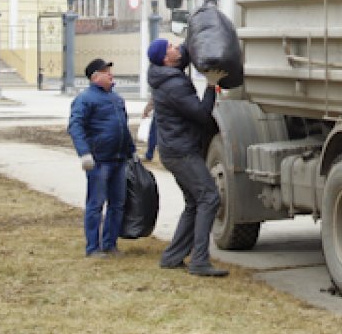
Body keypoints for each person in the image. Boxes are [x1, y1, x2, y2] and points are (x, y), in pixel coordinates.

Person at [146, 37, 229, 277]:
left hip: (174, 150)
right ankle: (200, 261)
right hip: (181, 152)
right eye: (170, 47)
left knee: (194, 203)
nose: (175, 48)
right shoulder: (174, 86)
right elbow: (203, 115)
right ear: (165, 59)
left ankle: (172, 257)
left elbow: (184, 50)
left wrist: (195, 34)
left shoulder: (163, 74)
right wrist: (212, 85)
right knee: (209, 197)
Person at [67, 58, 136, 258]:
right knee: (96, 204)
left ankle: (110, 244)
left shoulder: (116, 99)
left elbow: (123, 127)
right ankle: (92, 247)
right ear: (94, 76)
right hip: (99, 161)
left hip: (119, 159)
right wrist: (84, 153)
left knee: (117, 204)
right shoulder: (85, 99)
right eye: (106, 72)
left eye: (110, 71)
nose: (111, 74)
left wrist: (131, 151)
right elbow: (75, 126)